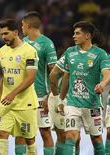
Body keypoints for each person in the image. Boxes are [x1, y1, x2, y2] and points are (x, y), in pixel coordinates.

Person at [58, 21, 110, 154]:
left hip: (92, 105)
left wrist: (102, 84)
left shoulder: (101, 54)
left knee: (97, 140)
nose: (73, 36)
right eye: (74, 33)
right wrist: (61, 100)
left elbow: (107, 74)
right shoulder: (69, 52)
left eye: (77, 33)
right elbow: (66, 78)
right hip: (73, 103)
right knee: (70, 136)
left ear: (87, 36)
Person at [0, 19, 39, 155]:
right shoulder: (2, 51)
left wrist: (13, 94)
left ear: (15, 32)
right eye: (1, 34)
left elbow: (31, 77)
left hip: (26, 104)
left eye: (6, 33)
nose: (3, 37)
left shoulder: (29, 51)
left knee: (29, 139)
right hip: (6, 104)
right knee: (2, 134)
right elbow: (5, 77)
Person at [20, 11, 57, 155]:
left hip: (41, 94)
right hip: (23, 95)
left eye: (22, 25)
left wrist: (51, 95)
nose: (21, 28)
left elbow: (53, 71)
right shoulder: (21, 43)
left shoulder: (47, 43)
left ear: (28, 25)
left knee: (45, 132)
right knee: (24, 133)